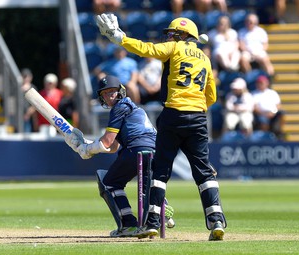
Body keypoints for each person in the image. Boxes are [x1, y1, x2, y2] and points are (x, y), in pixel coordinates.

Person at [96, 14, 227, 240]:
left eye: (174, 33)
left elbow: (147, 50)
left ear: (184, 36)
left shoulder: (174, 49)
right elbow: (212, 96)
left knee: (160, 171)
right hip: (198, 118)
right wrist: (195, 107)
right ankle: (216, 220)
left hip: (173, 115)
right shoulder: (205, 59)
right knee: (204, 171)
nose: (170, 36)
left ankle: (153, 222)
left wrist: (120, 38)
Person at [64, 75, 175, 237]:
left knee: (109, 182)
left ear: (120, 92)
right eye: (106, 93)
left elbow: (107, 142)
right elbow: (113, 147)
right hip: (154, 151)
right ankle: (161, 208)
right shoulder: (134, 108)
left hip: (136, 149)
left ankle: (128, 224)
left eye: (113, 92)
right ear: (101, 97)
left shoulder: (119, 107)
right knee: (147, 189)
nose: (110, 96)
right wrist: (89, 146)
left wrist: (86, 150)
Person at [21, 68, 38, 133]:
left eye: (28, 76)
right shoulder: (17, 87)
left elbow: (36, 104)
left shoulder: (33, 88)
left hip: (30, 117)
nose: (26, 78)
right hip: (19, 116)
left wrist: (28, 114)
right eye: (24, 76)